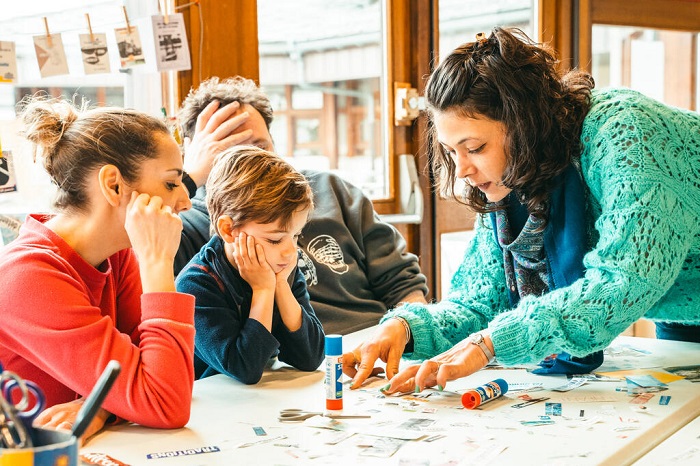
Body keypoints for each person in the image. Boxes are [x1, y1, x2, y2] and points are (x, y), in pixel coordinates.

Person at [344, 27, 700, 393]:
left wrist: (489, 344)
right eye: (452, 151)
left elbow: (624, 281)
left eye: (476, 147)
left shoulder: (628, 135)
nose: (463, 169)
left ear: (524, 126)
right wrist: (406, 329)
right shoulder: (513, 176)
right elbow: (478, 304)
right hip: (680, 307)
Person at [0, 96, 195, 439]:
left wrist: (101, 407)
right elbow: (166, 402)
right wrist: (157, 263)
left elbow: (162, 373)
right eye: (170, 183)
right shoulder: (26, 276)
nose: (185, 201)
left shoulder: (115, 255)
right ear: (114, 184)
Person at [175, 76, 429, 335]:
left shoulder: (331, 190)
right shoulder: (187, 221)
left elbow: (402, 282)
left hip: (378, 336)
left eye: (260, 147)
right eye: (230, 152)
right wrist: (189, 177)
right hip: (297, 363)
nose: (251, 163)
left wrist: (407, 335)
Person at [175, 146, 324, 383]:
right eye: (274, 239)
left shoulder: (281, 265)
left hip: (260, 402)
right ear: (228, 230)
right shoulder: (196, 284)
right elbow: (244, 368)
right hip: (213, 405)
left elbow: (311, 357)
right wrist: (264, 290)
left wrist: (281, 287)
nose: (290, 250)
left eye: (296, 236)